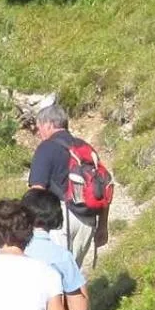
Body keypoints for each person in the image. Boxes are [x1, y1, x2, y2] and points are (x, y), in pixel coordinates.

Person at [27, 103, 98, 268]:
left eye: (39, 128)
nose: (39, 133)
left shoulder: (46, 147)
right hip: (87, 219)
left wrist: (27, 222)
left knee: (55, 274)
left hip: (60, 217)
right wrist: (102, 228)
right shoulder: (84, 147)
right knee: (73, 273)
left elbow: (37, 189)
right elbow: (103, 183)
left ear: (49, 124)